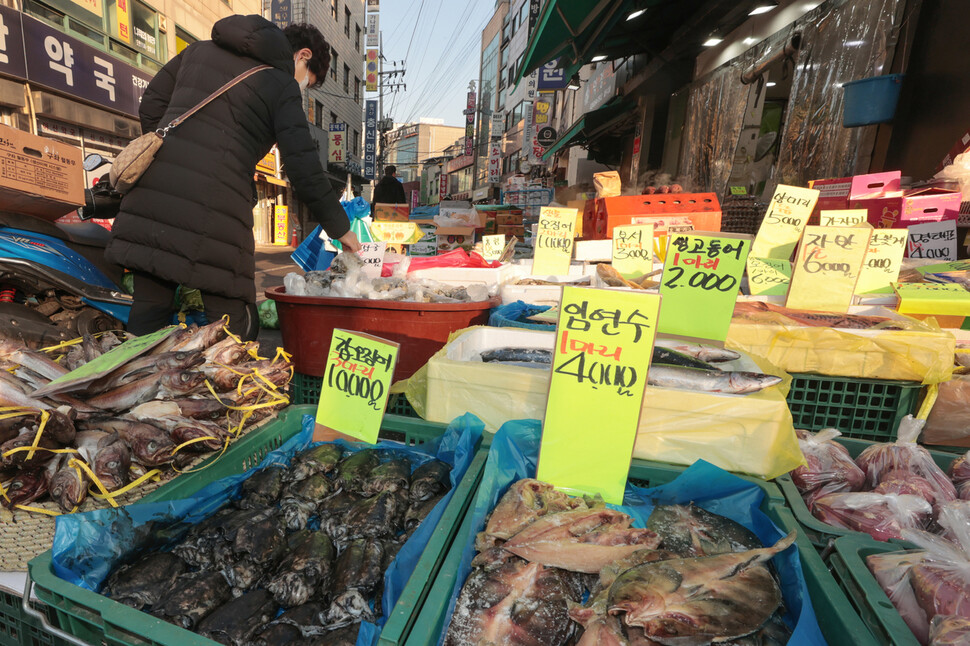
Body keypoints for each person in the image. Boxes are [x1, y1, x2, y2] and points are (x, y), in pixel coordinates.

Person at [105, 16, 360, 341]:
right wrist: (342, 229)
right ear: (303, 56)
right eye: (307, 82)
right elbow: (303, 167)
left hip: (152, 198)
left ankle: (137, 386)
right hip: (216, 211)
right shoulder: (280, 85)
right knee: (229, 327)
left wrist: (176, 153)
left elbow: (151, 103)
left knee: (147, 316)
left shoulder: (196, 52)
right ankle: (222, 389)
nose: (303, 88)